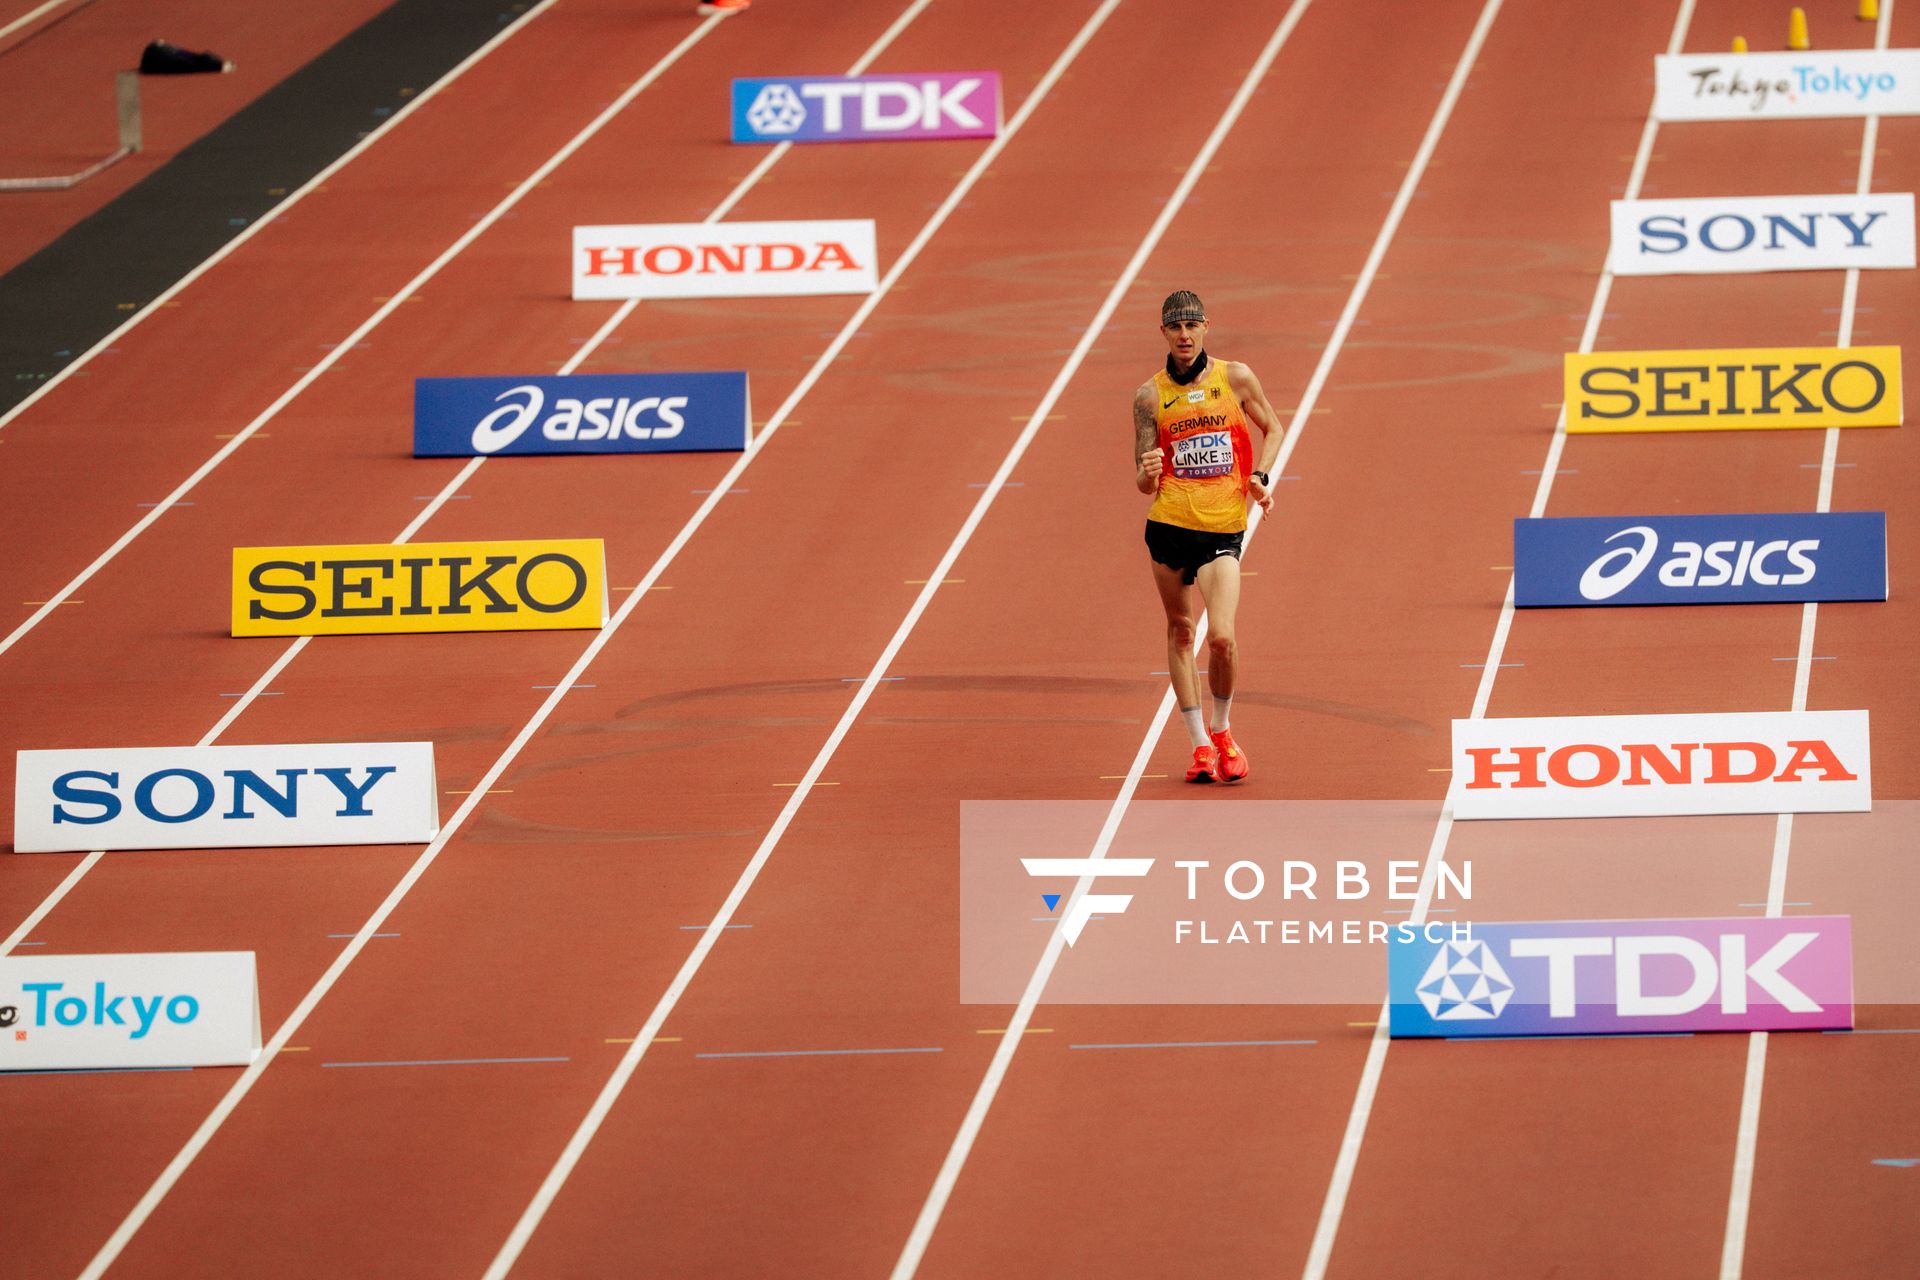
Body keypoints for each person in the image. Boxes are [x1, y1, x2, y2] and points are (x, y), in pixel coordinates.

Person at [1134, 290, 1283, 784]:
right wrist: (1148, 472)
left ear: (1204, 328)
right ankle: (1199, 745)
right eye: (1175, 327)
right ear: (1163, 332)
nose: (1183, 335)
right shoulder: (1149, 397)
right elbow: (1142, 479)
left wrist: (1260, 475)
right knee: (1181, 631)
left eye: (1191, 325)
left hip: (1222, 528)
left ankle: (1221, 729)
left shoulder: (1235, 377)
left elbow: (1274, 427)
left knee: (1220, 636)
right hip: (1169, 526)